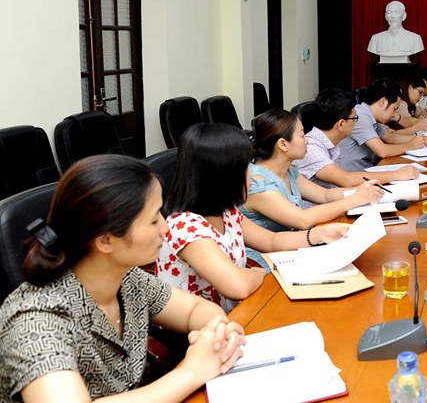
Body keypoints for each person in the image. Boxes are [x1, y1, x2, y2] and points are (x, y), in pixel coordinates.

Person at [0, 155, 246, 401]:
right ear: (106, 240)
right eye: (152, 220)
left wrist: (215, 334)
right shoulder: (35, 320)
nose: (166, 227)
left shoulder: (126, 278)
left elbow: (194, 309)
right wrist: (191, 371)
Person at [159, 124, 351, 311]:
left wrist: (319, 234)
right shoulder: (185, 227)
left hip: (243, 312)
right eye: (245, 166)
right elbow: (238, 286)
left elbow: (271, 240)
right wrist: (258, 272)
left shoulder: (227, 212)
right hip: (205, 334)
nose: (252, 171)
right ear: (223, 176)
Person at [242, 109, 384, 267]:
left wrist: (360, 191)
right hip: (268, 262)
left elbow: (324, 195)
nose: (307, 140)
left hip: (295, 249)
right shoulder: (258, 183)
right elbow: (302, 219)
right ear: (283, 144)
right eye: (302, 135)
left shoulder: (288, 170)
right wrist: (355, 199)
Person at [297, 88, 420, 188]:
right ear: (341, 124)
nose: (356, 122)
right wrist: (397, 174)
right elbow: (346, 180)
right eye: (355, 118)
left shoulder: (330, 142)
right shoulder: (311, 148)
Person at [338, 79, 427, 172]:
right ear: (382, 102)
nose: (393, 114)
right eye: (394, 108)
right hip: (350, 178)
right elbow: (382, 151)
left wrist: (421, 139)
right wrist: (410, 145)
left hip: (366, 171)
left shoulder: (370, 115)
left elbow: (390, 137)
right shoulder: (361, 117)